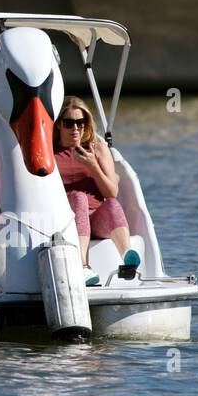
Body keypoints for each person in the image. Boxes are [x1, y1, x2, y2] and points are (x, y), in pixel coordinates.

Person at [54, 95, 140, 285]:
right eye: (69, 123)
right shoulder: (49, 153)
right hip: (65, 219)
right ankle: (83, 266)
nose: (75, 128)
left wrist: (93, 166)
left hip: (96, 219)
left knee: (112, 204)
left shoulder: (98, 149)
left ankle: (128, 258)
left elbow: (111, 192)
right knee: (79, 198)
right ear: (59, 124)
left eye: (80, 122)